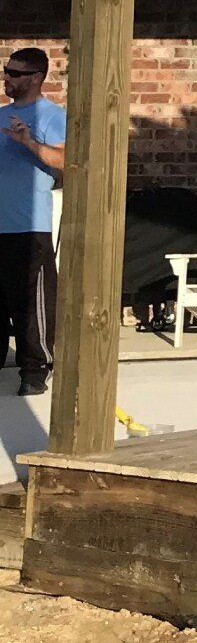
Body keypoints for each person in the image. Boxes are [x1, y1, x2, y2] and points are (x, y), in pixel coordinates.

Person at [1, 47, 65, 396]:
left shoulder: (53, 116)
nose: (7, 78)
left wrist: (29, 142)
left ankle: (35, 370)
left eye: (14, 72)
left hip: (29, 227)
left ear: (37, 78)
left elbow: (69, 163)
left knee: (32, 302)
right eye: (5, 70)